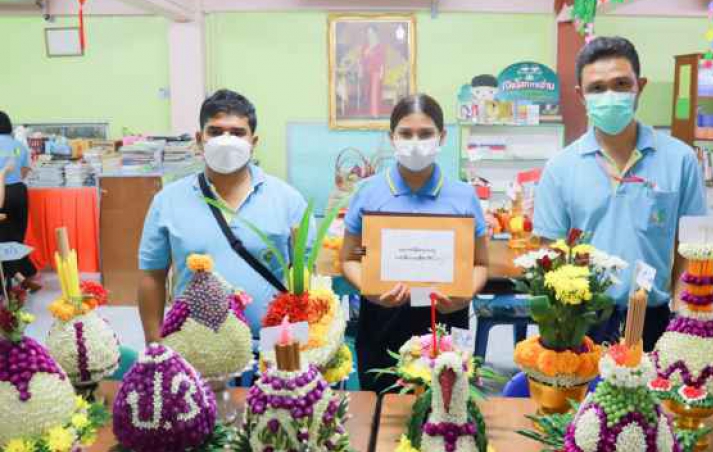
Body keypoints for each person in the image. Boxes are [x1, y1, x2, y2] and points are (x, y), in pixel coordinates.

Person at [534, 36, 706, 351]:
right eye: (597, 88)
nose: (610, 96)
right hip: (581, 319)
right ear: (581, 95)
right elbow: (551, 254)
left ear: (640, 86)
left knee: (653, 385)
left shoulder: (680, 160)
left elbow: (692, 247)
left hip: (653, 316)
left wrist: (685, 314)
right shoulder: (560, 168)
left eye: (621, 84)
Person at [138, 89, 313, 344]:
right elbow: (152, 276)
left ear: (254, 141)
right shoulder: (168, 201)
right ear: (200, 139)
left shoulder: (288, 200)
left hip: (274, 343)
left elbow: (307, 277)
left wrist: (304, 344)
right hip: (197, 347)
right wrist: (154, 344)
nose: (226, 141)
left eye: (238, 133)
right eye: (216, 131)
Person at [341, 93, 489, 393]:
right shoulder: (368, 192)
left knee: (445, 404)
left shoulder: (463, 196)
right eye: (406, 133)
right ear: (392, 138)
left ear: (442, 137)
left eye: (425, 134)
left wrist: (464, 294)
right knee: (382, 404)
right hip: (382, 317)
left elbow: (480, 263)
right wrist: (370, 286)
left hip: (446, 316)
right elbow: (353, 254)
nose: (416, 142)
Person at [0, 111, 40, 292]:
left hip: (1, 193)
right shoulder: (19, 146)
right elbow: (24, 171)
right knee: (17, 233)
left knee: (2, 235)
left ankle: (11, 275)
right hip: (18, 191)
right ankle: (21, 272)